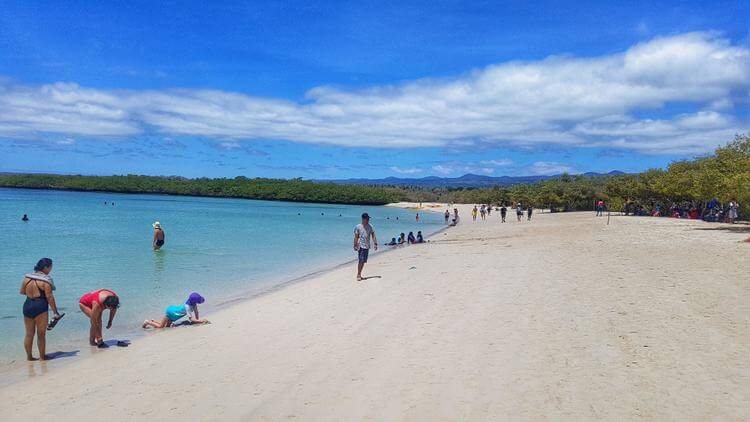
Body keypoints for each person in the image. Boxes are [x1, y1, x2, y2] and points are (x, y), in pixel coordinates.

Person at [20, 258, 61, 361]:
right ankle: (42, 357)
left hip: (27, 305)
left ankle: (29, 357)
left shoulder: (26, 278)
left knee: (29, 334)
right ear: (46, 267)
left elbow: (22, 292)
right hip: (40, 306)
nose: (51, 269)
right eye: (51, 267)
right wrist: (55, 312)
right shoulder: (45, 281)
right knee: (41, 334)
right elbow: (49, 297)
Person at [143, 293, 209, 329]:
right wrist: (201, 321)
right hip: (171, 312)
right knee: (161, 327)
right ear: (195, 301)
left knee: (167, 326)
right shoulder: (187, 307)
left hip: (175, 314)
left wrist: (197, 320)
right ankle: (148, 322)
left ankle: (153, 321)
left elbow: (196, 312)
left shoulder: (193, 304)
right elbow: (191, 319)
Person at [353, 213, 378, 281]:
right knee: (361, 260)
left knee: (363, 261)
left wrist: (375, 243)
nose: (368, 220)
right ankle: (358, 275)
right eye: (367, 219)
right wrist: (355, 245)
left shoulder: (370, 226)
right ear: (363, 219)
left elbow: (373, 235)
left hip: (367, 246)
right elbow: (356, 237)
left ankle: (359, 273)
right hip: (360, 246)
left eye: (368, 219)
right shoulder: (358, 227)